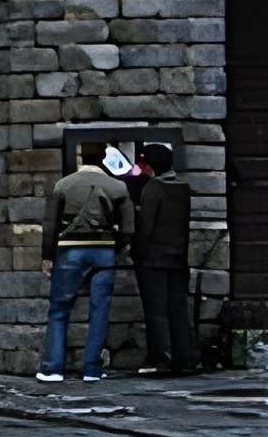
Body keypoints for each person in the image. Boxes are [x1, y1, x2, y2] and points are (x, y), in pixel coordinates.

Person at [41, 142, 131, 381]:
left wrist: (48, 257)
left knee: (60, 309)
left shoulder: (63, 185)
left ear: (81, 155)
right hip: (104, 251)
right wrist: (116, 246)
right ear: (104, 157)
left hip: (71, 250)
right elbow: (129, 228)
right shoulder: (118, 186)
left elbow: (50, 225)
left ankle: (52, 368)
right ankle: (92, 369)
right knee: (100, 309)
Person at [129, 143, 195, 374]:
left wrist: (136, 252)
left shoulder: (154, 188)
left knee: (157, 311)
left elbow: (146, 226)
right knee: (178, 309)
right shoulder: (183, 187)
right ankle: (184, 358)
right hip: (177, 257)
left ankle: (161, 360)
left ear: (149, 166)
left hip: (154, 259)